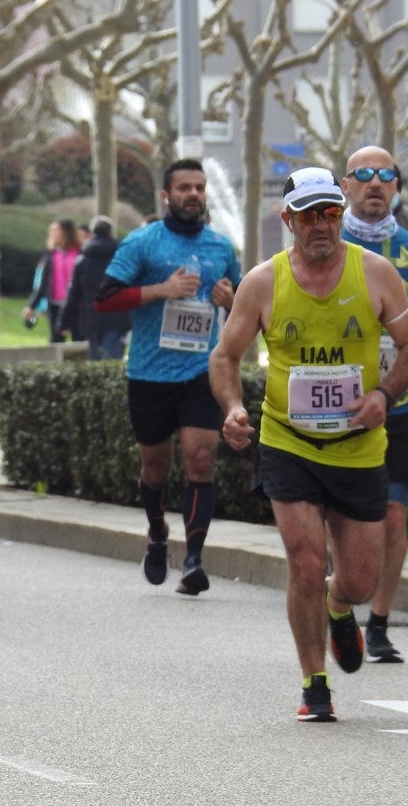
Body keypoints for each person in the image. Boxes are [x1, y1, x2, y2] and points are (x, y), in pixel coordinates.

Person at [210, 167, 408, 722]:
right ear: (288, 221)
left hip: (357, 447)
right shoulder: (264, 282)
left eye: (330, 212)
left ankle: (338, 608)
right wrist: (234, 408)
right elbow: (225, 356)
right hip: (289, 442)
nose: (322, 225)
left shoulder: (375, 274)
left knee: (358, 580)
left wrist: (383, 394)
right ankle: (314, 684)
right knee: (305, 564)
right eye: (309, 215)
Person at [93, 157, 241, 596]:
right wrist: (160, 290)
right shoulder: (143, 243)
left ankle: (194, 559)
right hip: (149, 373)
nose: (193, 194)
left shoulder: (220, 247)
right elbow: (104, 300)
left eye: (199, 187)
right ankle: (158, 533)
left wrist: (230, 298)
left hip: (202, 370)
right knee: (154, 468)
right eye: (184, 188)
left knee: (199, 458)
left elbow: (245, 309)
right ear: (166, 196)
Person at [339, 148, 408, 664]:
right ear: (346, 185)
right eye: (364, 175)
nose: (376, 184)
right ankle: (342, 605)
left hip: (400, 402)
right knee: (345, 517)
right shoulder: (328, 242)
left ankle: (378, 623)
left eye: (386, 176)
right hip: (338, 405)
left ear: (397, 187)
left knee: (394, 516)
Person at [59, 215, 131, 360]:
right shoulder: (122, 258)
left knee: (95, 359)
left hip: (92, 317)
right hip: (117, 317)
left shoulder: (82, 261)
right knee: (111, 361)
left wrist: (63, 323)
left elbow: (73, 294)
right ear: (111, 233)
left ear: (92, 233)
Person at [23, 220, 81, 343]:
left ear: (67, 233)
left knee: (79, 340)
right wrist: (31, 306)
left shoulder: (79, 252)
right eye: (51, 230)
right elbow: (43, 283)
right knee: (55, 341)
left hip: (76, 305)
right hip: (55, 304)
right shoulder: (51, 254)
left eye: (56, 230)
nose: (52, 233)